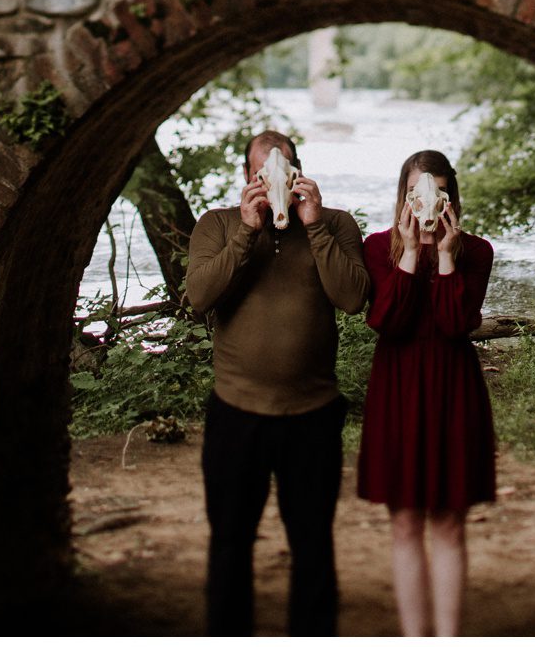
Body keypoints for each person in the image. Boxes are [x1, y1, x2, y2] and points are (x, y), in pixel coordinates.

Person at [184, 129, 369, 636]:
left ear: (299, 170)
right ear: (246, 176)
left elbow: (352, 298)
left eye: (282, 168)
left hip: (311, 413)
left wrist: (314, 227)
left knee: (312, 543)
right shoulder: (217, 224)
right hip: (236, 412)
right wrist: (246, 231)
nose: (271, 179)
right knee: (230, 542)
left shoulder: (335, 224)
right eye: (260, 170)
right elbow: (199, 297)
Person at [355, 149, 497, 637]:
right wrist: (412, 254)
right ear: (404, 196)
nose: (427, 202)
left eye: (437, 191)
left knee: (449, 523)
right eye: (418, 192)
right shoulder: (377, 249)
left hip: (453, 387)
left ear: (451, 198)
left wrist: (446, 257)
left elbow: (458, 324)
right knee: (405, 522)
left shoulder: (475, 252)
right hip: (398, 386)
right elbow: (388, 323)